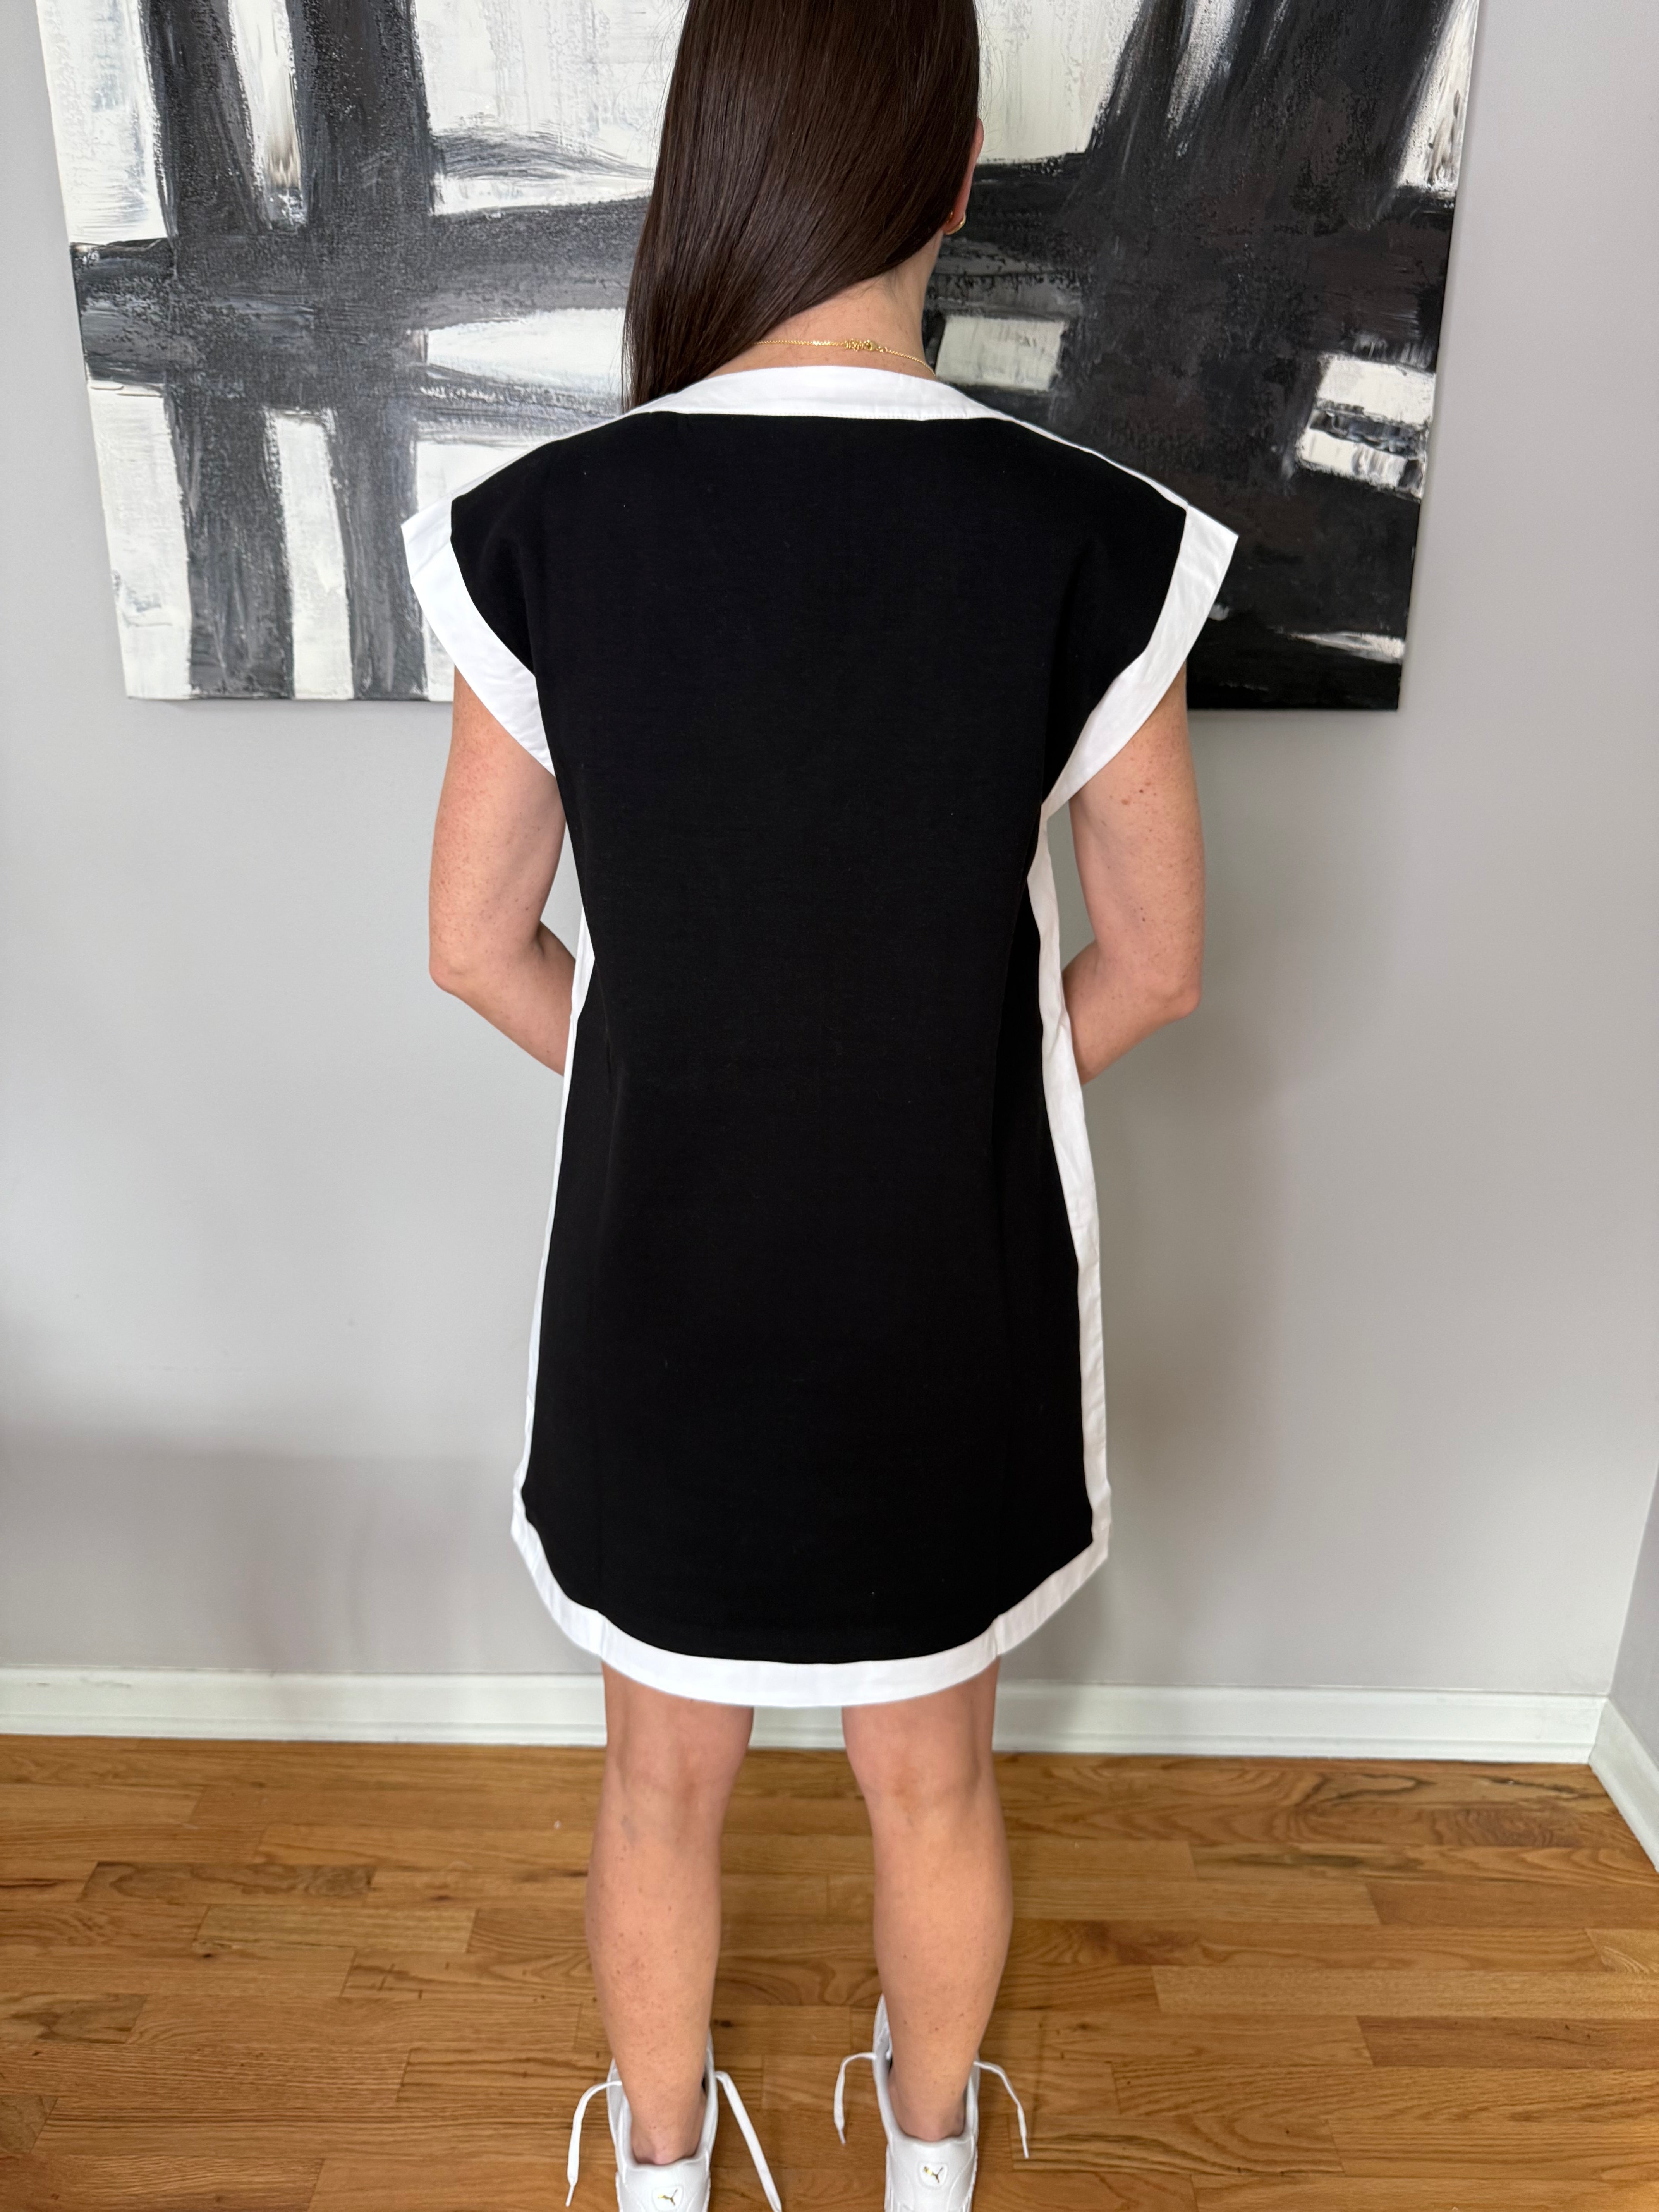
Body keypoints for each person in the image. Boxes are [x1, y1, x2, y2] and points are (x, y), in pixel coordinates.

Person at [404, 1, 1233, 2204]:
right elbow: (1155, 964)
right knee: (931, 1786)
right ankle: (930, 2168)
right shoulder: (1091, 537)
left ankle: (663, 2175)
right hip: (939, 1290)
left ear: (712, 158)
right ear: (954, 176)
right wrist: (933, 1089)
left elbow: (477, 946)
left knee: (658, 1788)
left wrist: (693, 1078)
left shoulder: (546, 528)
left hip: (663, 1285)